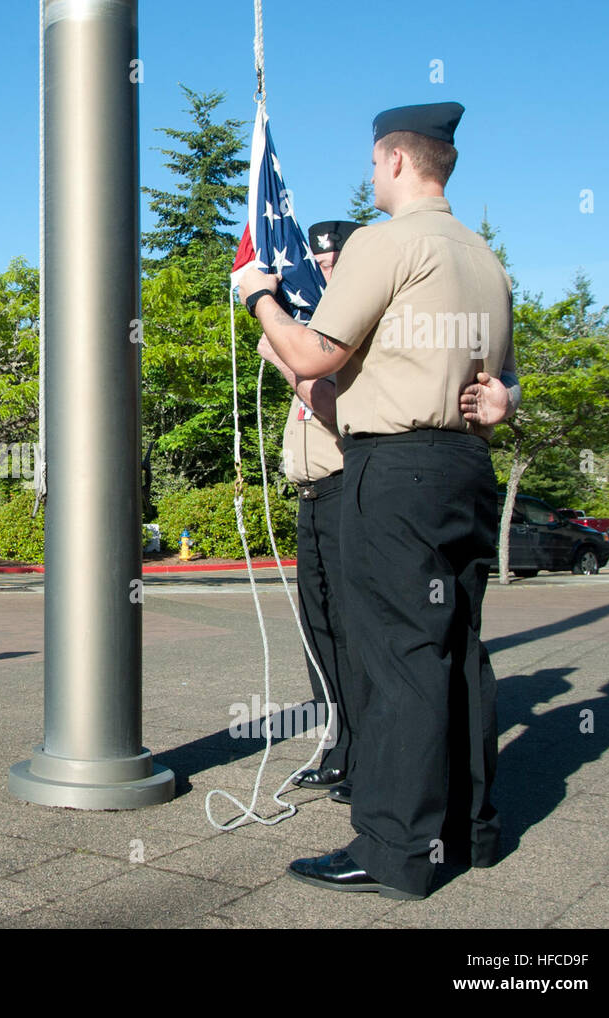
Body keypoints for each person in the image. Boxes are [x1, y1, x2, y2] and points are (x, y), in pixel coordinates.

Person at [238, 101, 515, 900]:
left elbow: (314, 353)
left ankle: (394, 849)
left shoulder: (382, 243)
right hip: (465, 468)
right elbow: (499, 386)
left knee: (395, 655)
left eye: (371, 165)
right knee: (460, 649)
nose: (369, 177)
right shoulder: (483, 256)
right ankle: (469, 829)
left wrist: (259, 294)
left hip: (395, 472)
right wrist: (504, 406)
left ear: (394, 162)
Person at [259, 220, 363, 805]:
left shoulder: (353, 331)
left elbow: (337, 412)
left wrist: (286, 361)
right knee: (319, 633)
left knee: (352, 631)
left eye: (333, 261)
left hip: (347, 489)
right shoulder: (321, 324)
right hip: (310, 497)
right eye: (317, 263)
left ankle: (366, 752)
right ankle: (341, 745)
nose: (323, 270)